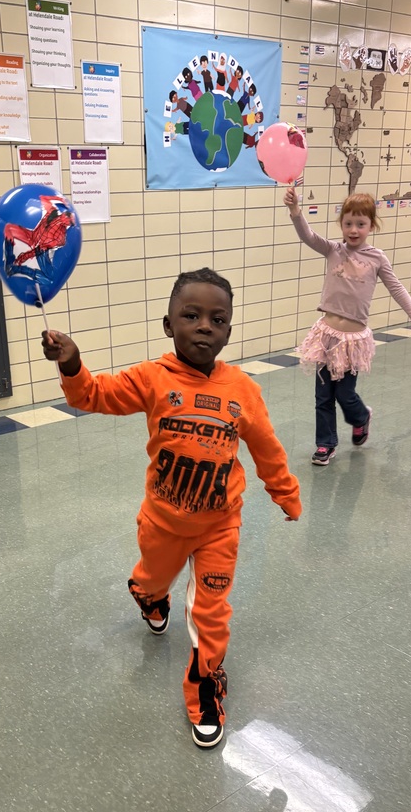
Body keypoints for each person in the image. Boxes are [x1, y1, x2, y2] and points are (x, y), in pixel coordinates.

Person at [41, 269, 301, 748]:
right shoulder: (151, 378)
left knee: (212, 611)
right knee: (153, 579)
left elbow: (266, 446)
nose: (205, 326)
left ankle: (204, 686)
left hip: (221, 525)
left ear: (228, 331)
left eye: (217, 319)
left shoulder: (242, 389)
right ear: (168, 325)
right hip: (162, 522)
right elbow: (91, 395)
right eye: (192, 315)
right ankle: (148, 592)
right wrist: (73, 362)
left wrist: (285, 491)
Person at [284, 187, 411, 465]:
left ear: (371, 226)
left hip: (352, 341)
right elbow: (308, 236)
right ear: (342, 225)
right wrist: (295, 211)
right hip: (327, 336)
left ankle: (361, 416)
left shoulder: (377, 258)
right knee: (323, 395)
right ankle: (326, 444)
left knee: (346, 393)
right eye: (348, 223)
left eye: (360, 224)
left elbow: (396, 287)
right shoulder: (333, 250)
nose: (353, 229)